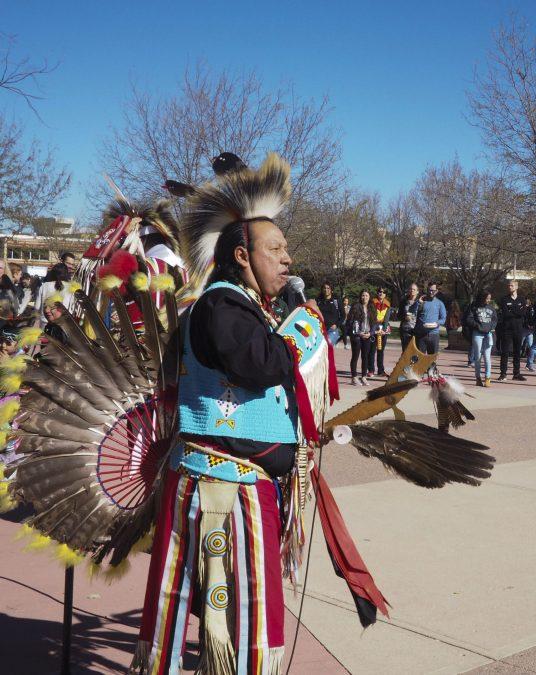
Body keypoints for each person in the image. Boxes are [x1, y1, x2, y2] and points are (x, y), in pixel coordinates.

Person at [134, 153, 324, 671]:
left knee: (234, 607)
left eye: (287, 249)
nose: (287, 259)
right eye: (276, 248)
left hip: (234, 483)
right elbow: (263, 364)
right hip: (221, 486)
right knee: (241, 609)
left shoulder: (240, 306)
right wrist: (304, 326)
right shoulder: (220, 306)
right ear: (242, 255)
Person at [465, 291, 498, 387]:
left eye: (489, 298)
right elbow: (469, 319)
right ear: (482, 298)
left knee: (487, 357)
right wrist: (478, 326)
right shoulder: (474, 307)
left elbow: (495, 319)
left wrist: (491, 326)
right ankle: (478, 378)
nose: (488, 300)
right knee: (478, 357)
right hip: (477, 334)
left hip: (488, 334)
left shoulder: (491, 308)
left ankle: (488, 378)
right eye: (487, 298)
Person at [497, 280, 527, 382]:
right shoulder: (504, 299)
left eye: (512, 285)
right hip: (507, 329)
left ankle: (516, 373)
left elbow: (522, 313)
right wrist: (516, 311)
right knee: (505, 352)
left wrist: (512, 310)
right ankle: (503, 373)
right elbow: (505, 313)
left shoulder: (522, 299)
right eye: (509, 285)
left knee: (517, 352)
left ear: (516, 287)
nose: (510, 287)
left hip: (518, 329)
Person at [349, 289, 375, 385]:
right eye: (363, 295)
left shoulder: (372, 307)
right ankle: (354, 377)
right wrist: (358, 333)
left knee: (365, 357)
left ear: (369, 297)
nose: (364, 297)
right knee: (355, 356)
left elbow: (374, 323)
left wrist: (371, 333)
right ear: (360, 297)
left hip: (367, 334)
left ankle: (364, 376)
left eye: (366, 296)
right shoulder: (355, 307)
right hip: (357, 335)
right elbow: (351, 321)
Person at [415, 281, 446, 355]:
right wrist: (418, 303)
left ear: (436, 291)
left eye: (433, 290)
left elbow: (443, 319)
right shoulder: (422, 301)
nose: (431, 292)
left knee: (432, 359)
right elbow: (413, 313)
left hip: (434, 334)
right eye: (429, 290)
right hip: (421, 334)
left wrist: (437, 323)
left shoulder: (440, 303)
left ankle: (432, 367)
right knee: (420, 359)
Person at [368, 287, 392, 377]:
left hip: (383, 329)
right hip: (374, 328)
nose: (381, 293)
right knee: (372, 350)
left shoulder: (388, 304)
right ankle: (371, 370)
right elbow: (371, 317)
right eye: (379, 291)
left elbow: (386, 318)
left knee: (381, 350)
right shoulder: (372, 302)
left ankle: (381, 370)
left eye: (383, 292)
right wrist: (375, 329)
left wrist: (383, 330)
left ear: (385, 294)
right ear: (377, 293)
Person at [398, 283, 421, 352]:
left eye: (414, 289)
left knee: (416, 352)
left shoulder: (421, 302)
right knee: (405, 352)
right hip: (405, 330)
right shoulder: (403, 301)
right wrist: (404, 317)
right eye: (410, 289)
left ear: (417, 291)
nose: (412, 291)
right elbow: (399, 315)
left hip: (417, 330)